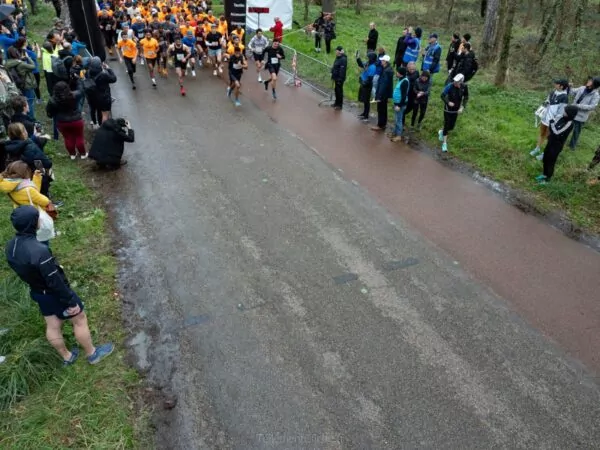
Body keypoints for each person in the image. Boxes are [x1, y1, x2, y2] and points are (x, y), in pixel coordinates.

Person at [6, 205, 114, 366]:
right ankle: (92, 354)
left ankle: (67, 356)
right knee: (79, 319)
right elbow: (54, 281)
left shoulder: (10, 247)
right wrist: (70, 301)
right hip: (54, 293)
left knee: (53, 325)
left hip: (38, 292)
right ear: (33, 223)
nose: (41, 219)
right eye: (38, 217)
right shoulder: (40, 252)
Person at [4, 122, 53, 195]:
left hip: (18, 176)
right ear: (23, 133)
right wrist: (48, 166)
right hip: (33, 174)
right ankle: (45, 197)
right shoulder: (29, 145)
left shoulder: (7, 146)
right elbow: (42, 161)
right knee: (43, 178)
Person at [537, 106, 578, 184]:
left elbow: (557, 133)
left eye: (565, 111)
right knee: (545, 158)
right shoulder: (562, 118)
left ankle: (547, 179)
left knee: (551, 161)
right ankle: (544, 175)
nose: (564, 112)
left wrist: (552, 123)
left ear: (569, 113)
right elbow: (553, 129)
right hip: (551, 142)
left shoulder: (570, 123)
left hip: (556, 146)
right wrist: (552, 124)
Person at [46, 81, 87, 160]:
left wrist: (55, 114)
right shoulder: (74, 95)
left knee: (68, 138)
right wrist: (78, 81)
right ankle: (83, 154)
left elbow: (49, 113)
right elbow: (81, 91)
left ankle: (72, 155)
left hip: (62, 122)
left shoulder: (52, 100)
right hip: (76, 120)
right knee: (79, 137)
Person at [530, 79, 569, 159]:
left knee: (549, 138)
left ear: (561, 86)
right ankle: (537, 148)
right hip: (545, 118)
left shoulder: (564, 97)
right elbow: (546, 102)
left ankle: (545, 153)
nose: (555, 84)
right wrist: (542, 109)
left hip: (552, 122)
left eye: (557, 83)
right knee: (541, 134)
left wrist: (553, 121)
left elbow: (561, 112)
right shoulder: (553, 92)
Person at [439, 73, 469, 153]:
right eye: (455, 81)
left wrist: (462, 107)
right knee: (447, 124)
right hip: (447, 109)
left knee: (451, 127)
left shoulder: (464, 87)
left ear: (461, 82)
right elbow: (442, 95)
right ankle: (444, 143)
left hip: (456, 109)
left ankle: (441, 131)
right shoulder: (450, 86)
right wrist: (448, 102)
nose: (455, 83)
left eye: (457, 82)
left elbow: (466, 97)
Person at [5, 46, 37, 121]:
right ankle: (31, 120)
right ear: (15, 53)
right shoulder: (21, 64)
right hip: (27, 84)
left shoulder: (7, 63)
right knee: (29, 103)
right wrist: (28, 58)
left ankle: (24, 119)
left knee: (23, 103)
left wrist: (20, 60)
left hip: (18, 85)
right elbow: (33, 66)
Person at [568, 76, 600, 150]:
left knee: (576, 132)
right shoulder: (582, 88)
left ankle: (572, 146)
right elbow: (572, 92)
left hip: (581, 116)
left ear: (594, 84)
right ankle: (561, 140)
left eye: (591, 81)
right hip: (572, 112)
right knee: (566, 127)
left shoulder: (596, 95)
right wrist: (569, 87)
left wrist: (578, 106)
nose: (588, 81)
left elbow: (592, 107)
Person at [85, 57, 117, 128]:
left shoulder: (88, 72)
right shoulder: (103, 75)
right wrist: (108, 69)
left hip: (92, 97)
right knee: (104, 114)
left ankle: (96, 123)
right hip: (103, 98)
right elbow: (114, 79)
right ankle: (103, 128)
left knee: (95, 110)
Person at [371, 54, 394, 133]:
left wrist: (379, 96)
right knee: (384, 109)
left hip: (382, 94)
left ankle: (380, 125)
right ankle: (383, 124)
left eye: (382, 60)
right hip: (385, 94)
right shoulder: (388, 69)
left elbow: (383, 85)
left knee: (381, 109)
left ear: (385, 62)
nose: (381, 61)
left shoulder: (386, 71)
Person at [356, 51, 377, 121]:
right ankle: (364, 113)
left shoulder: (373, 67)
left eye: (368, 57)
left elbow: (370, 79)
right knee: (365, 100)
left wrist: (364, 83)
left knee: (366, 101)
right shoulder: (368, 63)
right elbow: (361, 65)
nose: (367, 58)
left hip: (367, 85)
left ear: (371, 58)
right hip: (364, 83)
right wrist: (358, 58)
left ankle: (366, 116)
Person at [391, 66, 409, 142]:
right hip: (397, 103)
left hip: (400, 104)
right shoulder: (400, 79)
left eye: (397, 72)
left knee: (398, 120)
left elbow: (404, 95)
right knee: (396, 119)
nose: (396, 73)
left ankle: (398, 136)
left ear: (400, 73)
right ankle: (395, 133)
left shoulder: (405, 82)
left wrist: (399, 105)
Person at [403, 61, 419, 128]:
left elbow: (413, 78)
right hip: (406, 94)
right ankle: (402, 123)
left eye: (413, 69)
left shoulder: (416, 73)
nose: (412, 70)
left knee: (411, 108)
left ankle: (412, 124)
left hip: (414, 94)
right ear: (407, 68)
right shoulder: (406, 73)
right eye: (411, 69)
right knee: (404, 109)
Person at [331, 46, 347, 110]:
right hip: (336, 77)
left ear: (339, 51)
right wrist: (332, 71)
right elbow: (335, 66)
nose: (335, 51)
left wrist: (340, 79)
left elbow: (342, 70)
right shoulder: (338, 57)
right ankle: (336, 103)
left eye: (336, 50)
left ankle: (339, 105)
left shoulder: (343, 59)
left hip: (339, 79)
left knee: (339, 91)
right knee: (336, 90)